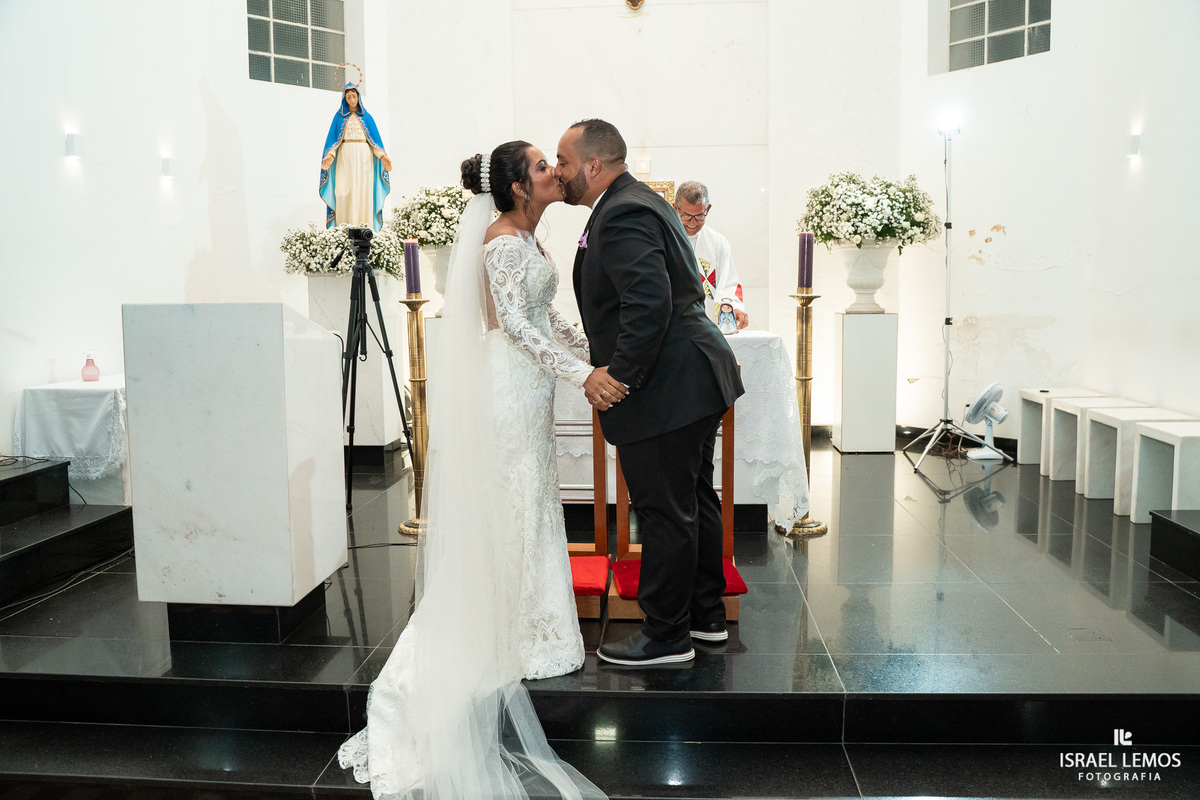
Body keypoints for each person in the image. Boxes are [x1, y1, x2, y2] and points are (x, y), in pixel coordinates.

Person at [336, 141, 608, 800]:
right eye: (542, 166)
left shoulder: (526, 238)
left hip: (528, 387)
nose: (554, 171)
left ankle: (528, 628)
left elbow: (545, 317)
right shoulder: (502, 242)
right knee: (512, 502)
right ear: (516, 187)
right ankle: (502, 632)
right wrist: (582, 373)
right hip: (509, 388)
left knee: (530, 501)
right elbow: (514, 325)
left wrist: (594, 349)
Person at [556, 119, 745, 667]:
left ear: (594, 165)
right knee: (693, 500)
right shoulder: (636, 201)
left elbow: (648, 302)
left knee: (664, 511)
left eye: (565, 162)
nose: (560, 172)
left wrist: (621, 378)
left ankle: (666, 635)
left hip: (668, 383)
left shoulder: (622, 212)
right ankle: (705, 616)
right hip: (692, 375)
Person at [673, 181, 749, 330]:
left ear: (708, 209)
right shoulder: (665, 240)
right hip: (673, 328)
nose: (693, 223)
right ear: (675, 208)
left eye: (699, 216)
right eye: (686, 216)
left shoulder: (717, 243)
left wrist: (733, 308)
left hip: (708, 329)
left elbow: (729, 283)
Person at [319, 83, 392, 231]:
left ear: (358, 97)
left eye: (354, 96)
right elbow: (333, 142)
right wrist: (330, 156)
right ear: (344, 99)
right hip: (344, 157)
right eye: (348, 97)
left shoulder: (367, 118)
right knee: (342, 192)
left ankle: (364, 229)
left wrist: (382, 156)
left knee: (363, 193)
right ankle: (344, 230)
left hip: (364, 158)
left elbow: (374, 142)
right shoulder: (338, 118)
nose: (352, 100)